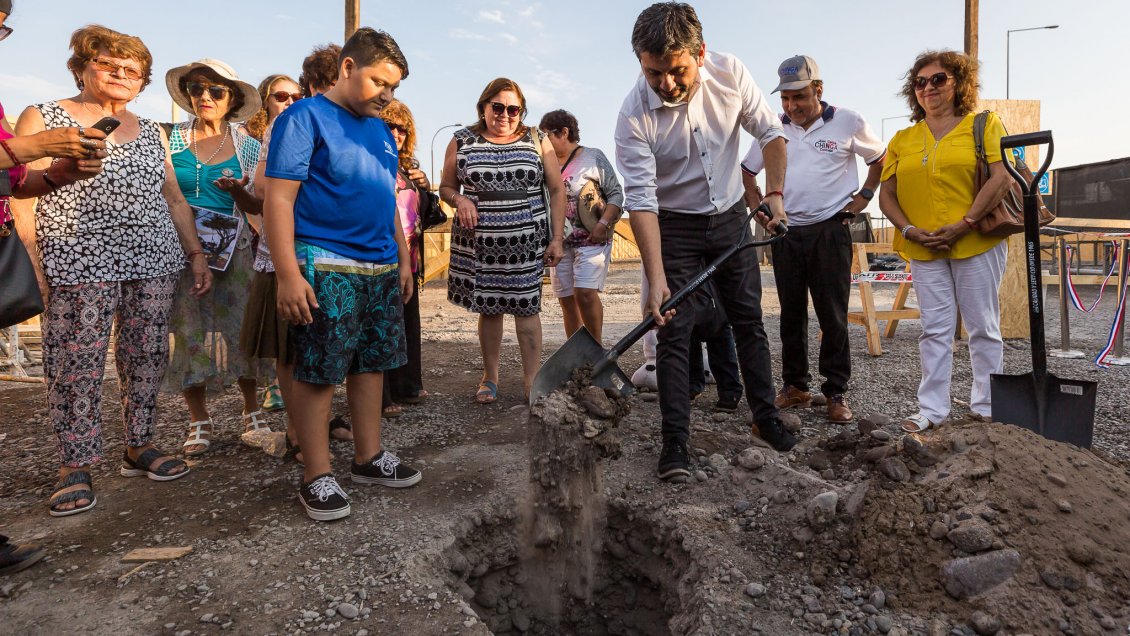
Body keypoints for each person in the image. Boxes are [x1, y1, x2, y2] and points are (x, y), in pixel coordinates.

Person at [13, 23, 211, 516]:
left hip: (153, 256)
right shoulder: (45, 116)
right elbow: (19, 191)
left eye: (132, 69)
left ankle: (139, 444)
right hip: (77, 254)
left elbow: (172, 196)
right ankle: (74, 464)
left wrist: (195, 254)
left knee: (145, 355)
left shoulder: (150, 131)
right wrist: (33, 261)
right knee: (76, 360)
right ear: (82, 66)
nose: (121, 74)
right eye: (108, 64)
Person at [615, 2, 794, 483]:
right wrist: (654, 281)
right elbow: (642, 201)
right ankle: (675, 441)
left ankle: (765, 418)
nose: (666, 84)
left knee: (747, 320)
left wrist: (774, 194)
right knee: (673, 329)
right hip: (673, 225)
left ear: (700, 53)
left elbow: (771, 133)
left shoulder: (730, 72)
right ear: (640, 62)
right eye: (654, 73)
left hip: (733, 215)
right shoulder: (633, 115)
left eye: (676, 71)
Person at [265, 27, 422, 522]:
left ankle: (368, 457)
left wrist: (401, 257)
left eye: (394, 88)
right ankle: (316, 474)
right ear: (348, 68)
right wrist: (288, 273)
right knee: (319, 369)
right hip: (325, 260)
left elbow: (387, 200)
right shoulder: (303, 118)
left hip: (379, 262)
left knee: (371, 362)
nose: (387, 96)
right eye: (380, 82)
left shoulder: (379, 131)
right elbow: (279, 199)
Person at [741, 55, 886, 424]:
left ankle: (835, 391)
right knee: (790, 313)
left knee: (832, 314)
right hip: (786, 231)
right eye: (786, 98)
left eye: (799, 96)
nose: (792, 106)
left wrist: (864, 198)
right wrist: (759, 208)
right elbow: (747, 172)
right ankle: (795, 387)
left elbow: (881, 159)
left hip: (829, 229)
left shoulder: (848, 121)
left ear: (818, 90)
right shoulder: (773, 128)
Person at [879, 50, 1012, 432]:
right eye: (920, 82)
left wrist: (966, 223)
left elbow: (1001, 178)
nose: (928, 88)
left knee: (983, 326)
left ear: (959, 83)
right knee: (934, 329)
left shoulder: (983, 125)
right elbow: (887, 193)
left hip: (975, 243)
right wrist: (907, 230)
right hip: (924, 247)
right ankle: (932, 409)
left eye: (939, 79)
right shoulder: (903, 138)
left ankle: (987, 407)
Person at [161, 58, 266, 456]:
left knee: (241, 328)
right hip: (181, 249)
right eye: (196, 88)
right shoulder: (166, 138)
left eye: (216, 90)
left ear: (232, 99)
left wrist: (238, 191)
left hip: (233, 251)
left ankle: (252, 410)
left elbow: (257, 204)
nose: (204, 96)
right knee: (188, 331)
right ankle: (198, 419)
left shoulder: (249, 147)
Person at [439, 78, 565, 404]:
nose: (505, 114)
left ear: (521, 111)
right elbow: (446, 187)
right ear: (484, 107)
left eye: (513, 108)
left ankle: (532, 381)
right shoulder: (461, 140)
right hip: (479, 241)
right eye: (498, 106)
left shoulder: (539, 139)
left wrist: (556, 239)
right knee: (490, 308)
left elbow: (556, 189)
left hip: (526, 239)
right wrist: (460, 201)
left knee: (526, 309)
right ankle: (489, 377)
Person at [538, 109, 624, 344]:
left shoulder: (593, 157)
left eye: (546, 136)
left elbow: (616, 194)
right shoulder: (545, 163)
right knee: (566, 299)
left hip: (592, 240)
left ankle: (595, 350)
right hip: (560, 242)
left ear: (564, 132)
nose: (542, 142)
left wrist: (604, 223)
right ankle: (576, 355)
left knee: (584, 293)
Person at [378, 99, 430, 411]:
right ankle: (381, 398)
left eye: (402, 128)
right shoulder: (372, 160)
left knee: (408, 323)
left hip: (410, 255)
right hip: (382, 254)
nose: (396, 133)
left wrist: (424, 188)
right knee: (382, 325)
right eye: (390, 126)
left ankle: (409, 386)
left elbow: (423, 213)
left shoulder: (407, 166)